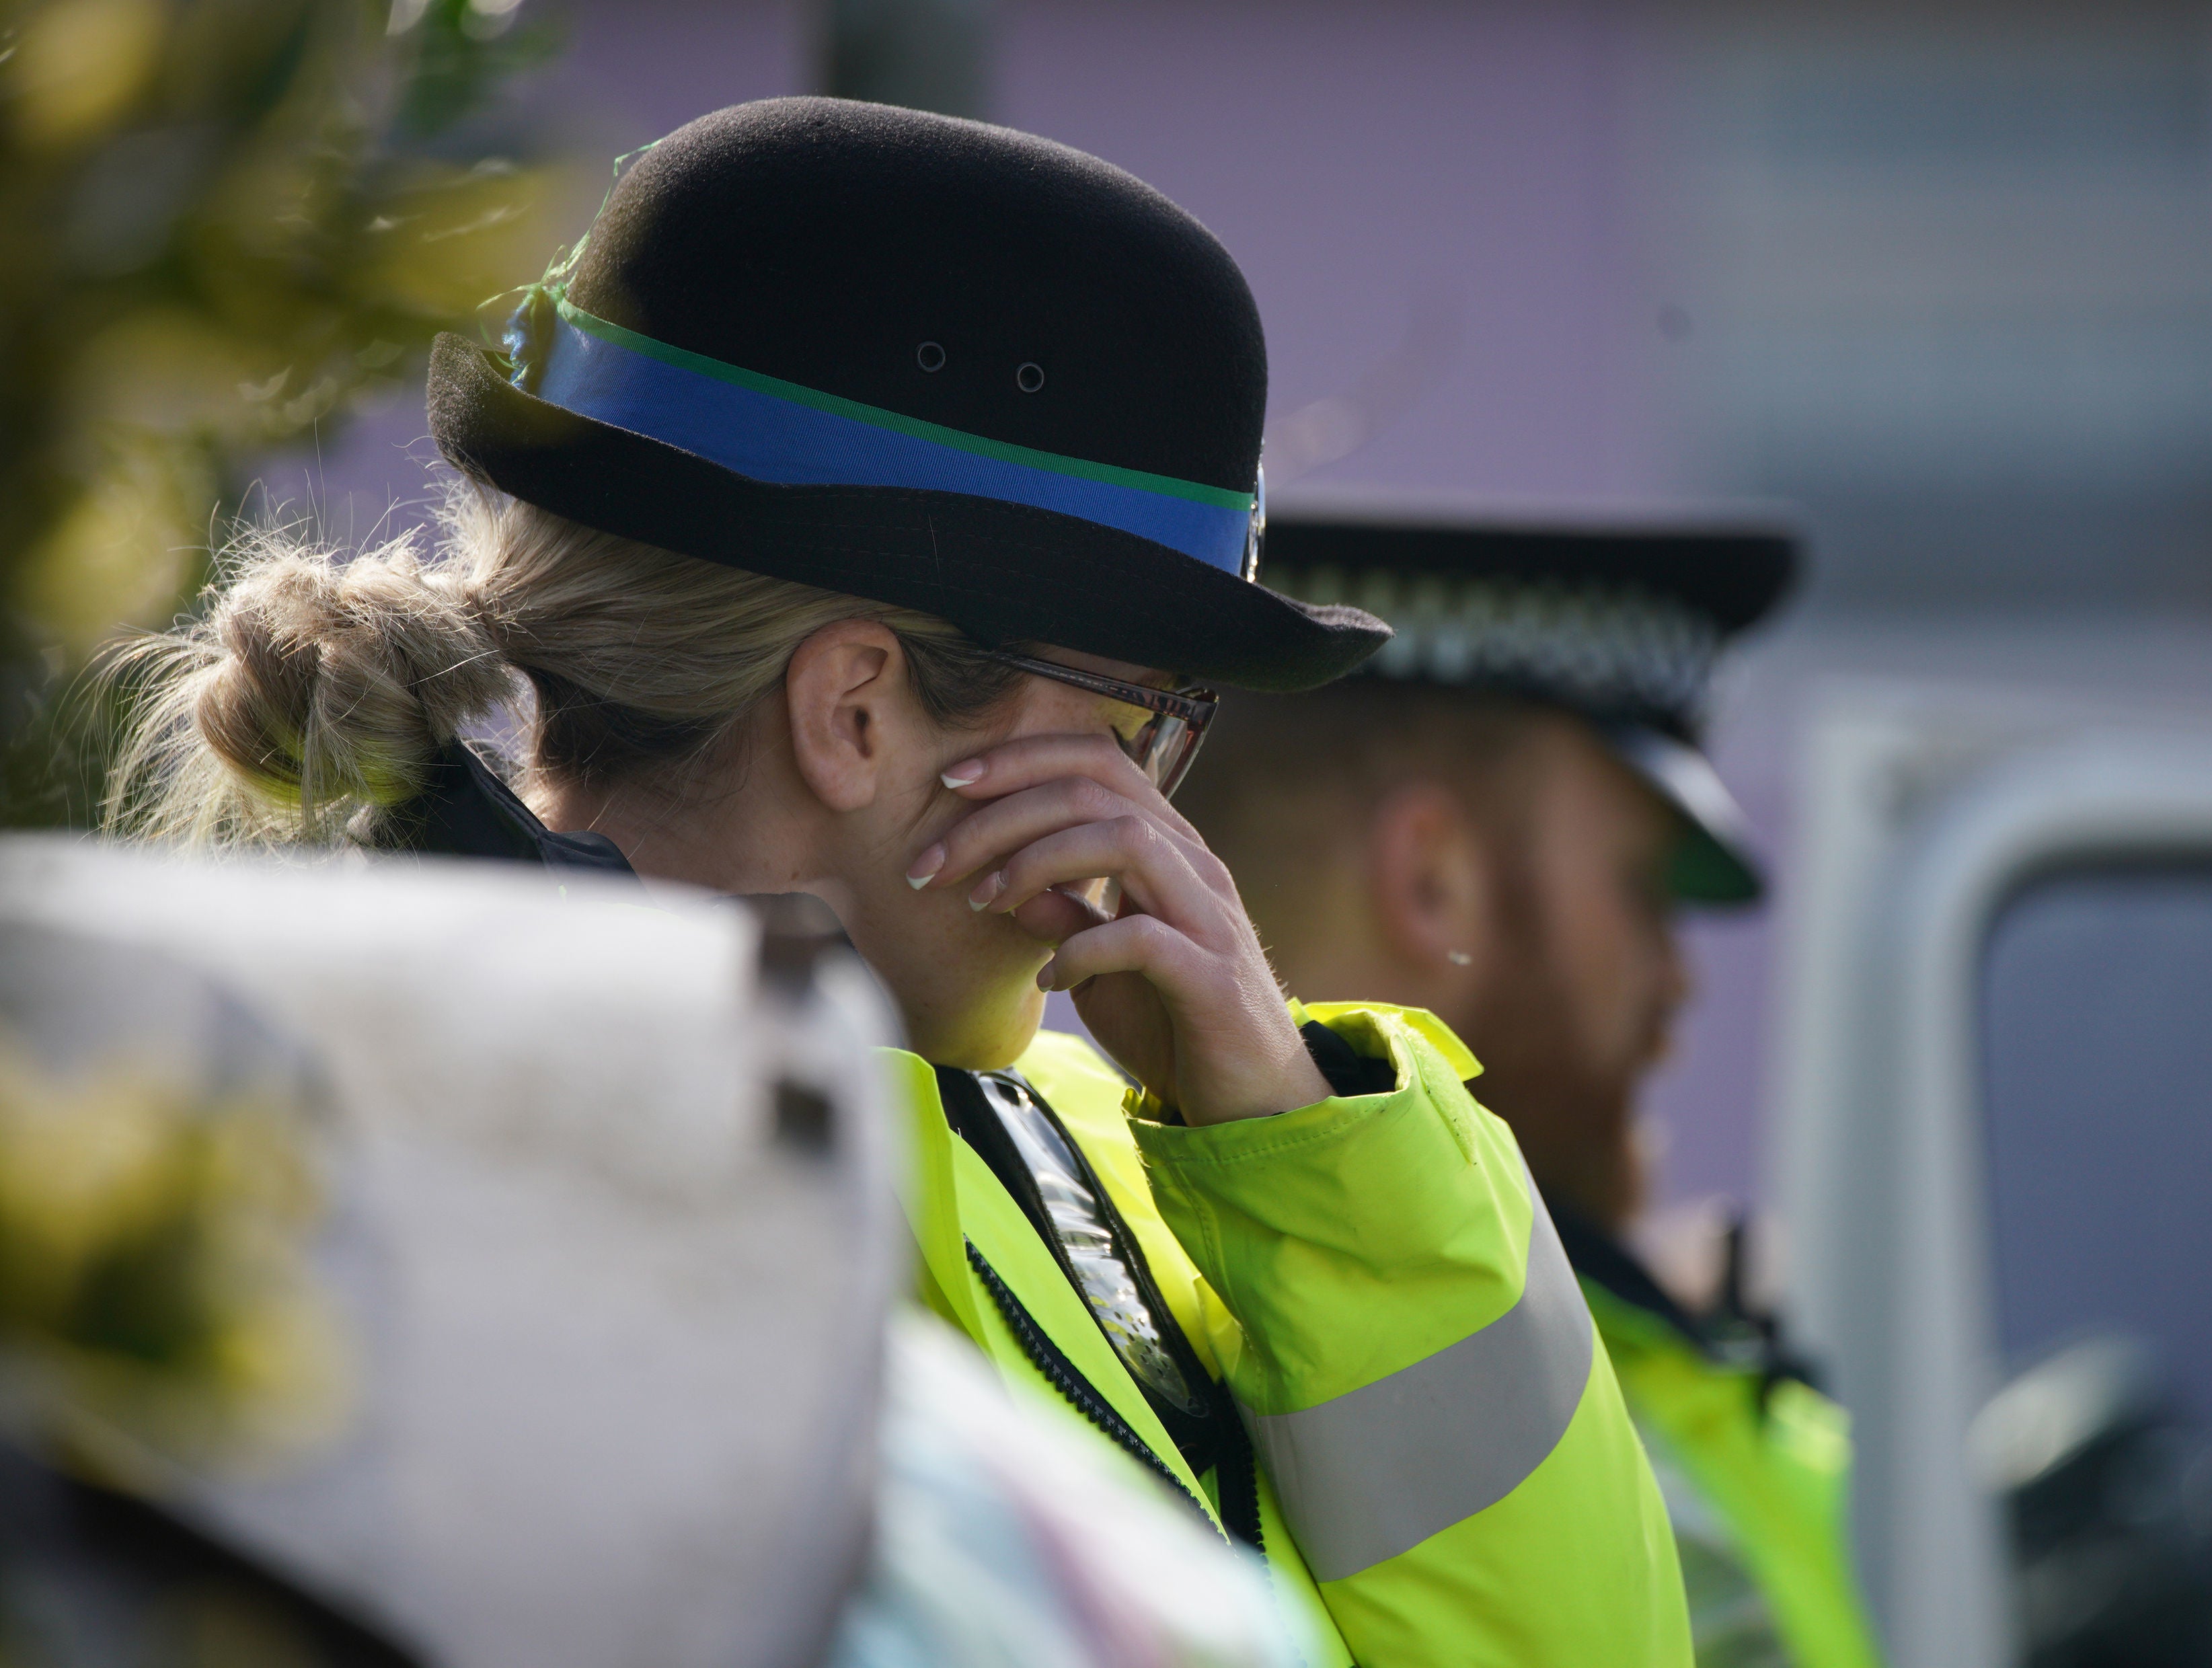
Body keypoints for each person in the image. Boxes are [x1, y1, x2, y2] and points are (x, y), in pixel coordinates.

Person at [102, 100, 1690, 1665]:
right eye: (1145, 718)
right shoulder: (475, 1172)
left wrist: (1300, 1139)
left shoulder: (1135, 1149)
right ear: (855, 712)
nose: (1158, 807)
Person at [1180, 499, 1885, 1668]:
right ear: (1433, 882)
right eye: (1642, 891)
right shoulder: (1525, 1384)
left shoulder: (1098, 1292)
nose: (1677, 981)